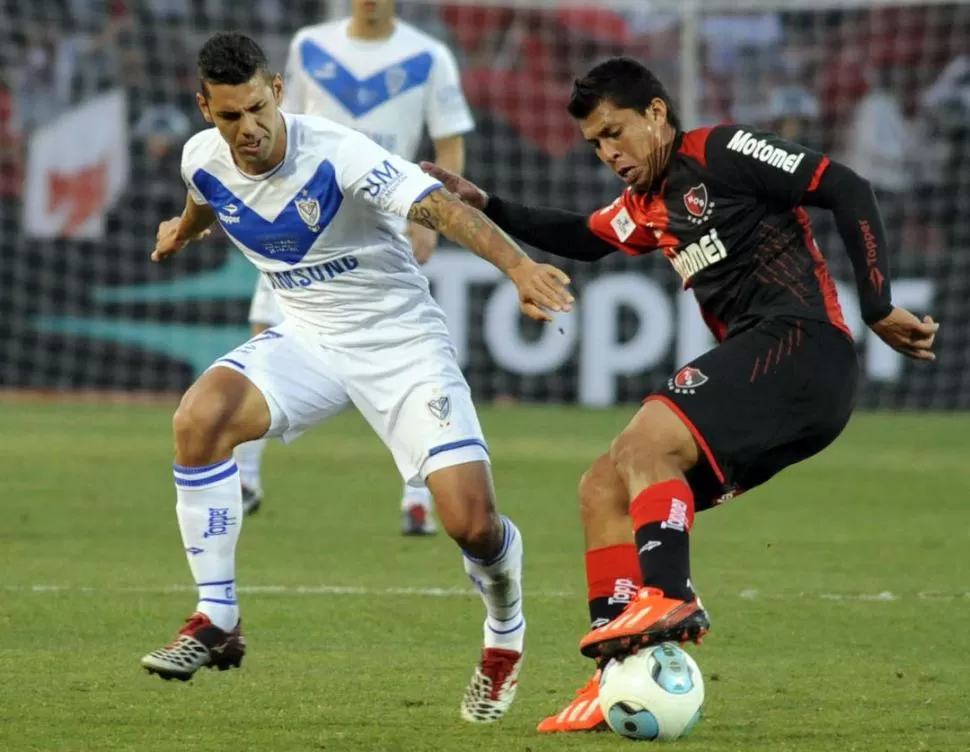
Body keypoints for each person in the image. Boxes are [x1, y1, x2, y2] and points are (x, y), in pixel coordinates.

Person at [422, 56, 939, 733]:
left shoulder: (721, 152)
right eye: (596, 144)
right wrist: (484, 203)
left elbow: (847, 186)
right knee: (602, 488)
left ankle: (669, 595)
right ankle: (618, 677)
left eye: (617, 132)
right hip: (778, 386)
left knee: (647, 440)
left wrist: (876, 306)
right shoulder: (645, 205)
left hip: (803, 348)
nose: (610, 153)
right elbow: (582, 236)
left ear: (658, 114)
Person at [138, 32, 574, 725]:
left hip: (403, 348)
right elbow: (205, 195)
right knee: (199, 419)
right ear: (205, 110)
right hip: (308, 342)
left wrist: (517, 268)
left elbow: (439, 207)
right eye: (229, 117)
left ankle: (504, 635)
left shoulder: (339, 153)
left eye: (257, 109)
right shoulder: (202, 157)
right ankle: (217, 616)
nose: (247, 129)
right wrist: (185, 229)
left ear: (277, 91)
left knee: (473, 525)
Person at [234, 0, 475, 534]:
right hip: (297, 219)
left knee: (405, 358)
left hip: (383, 221)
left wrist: (429, 218)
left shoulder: (429, 56)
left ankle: (419, 497)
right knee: (264, 329)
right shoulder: (309, 45)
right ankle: (245, 477)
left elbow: (449, 142)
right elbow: (277, 124)